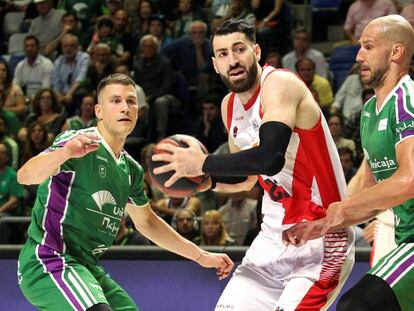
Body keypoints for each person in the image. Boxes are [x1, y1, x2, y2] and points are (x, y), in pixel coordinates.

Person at [152, 18, 354, 310]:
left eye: (239, 49)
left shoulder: (280, 84)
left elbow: (269, 158)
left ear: (256, 51)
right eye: (223, 54)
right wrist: (203, 182)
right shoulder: (228, 106)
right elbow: (247, 177)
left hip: (320, 236)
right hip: (271, 239)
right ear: (215, 63)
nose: (232, 60)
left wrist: (203, 163)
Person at [17, 73, 233, 310]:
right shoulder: (77, 142)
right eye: (116, 101)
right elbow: (25, 176)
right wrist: (64, 153)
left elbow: (148, 223)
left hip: (86, 267)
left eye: (131, 101)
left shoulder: (131, 169)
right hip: (48, 259)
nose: (125, 108)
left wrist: (201, 256)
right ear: (99, 111)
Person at [283, 15, 414, 311]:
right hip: (407, 239)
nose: (358, 55)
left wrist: (341, 209)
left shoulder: (408, 102)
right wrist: (321, 225)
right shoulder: (369, 111)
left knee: (358, 306)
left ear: (396, 52)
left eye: (368, 46)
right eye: (359, 47)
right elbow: (372, 199)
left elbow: (409, 180)